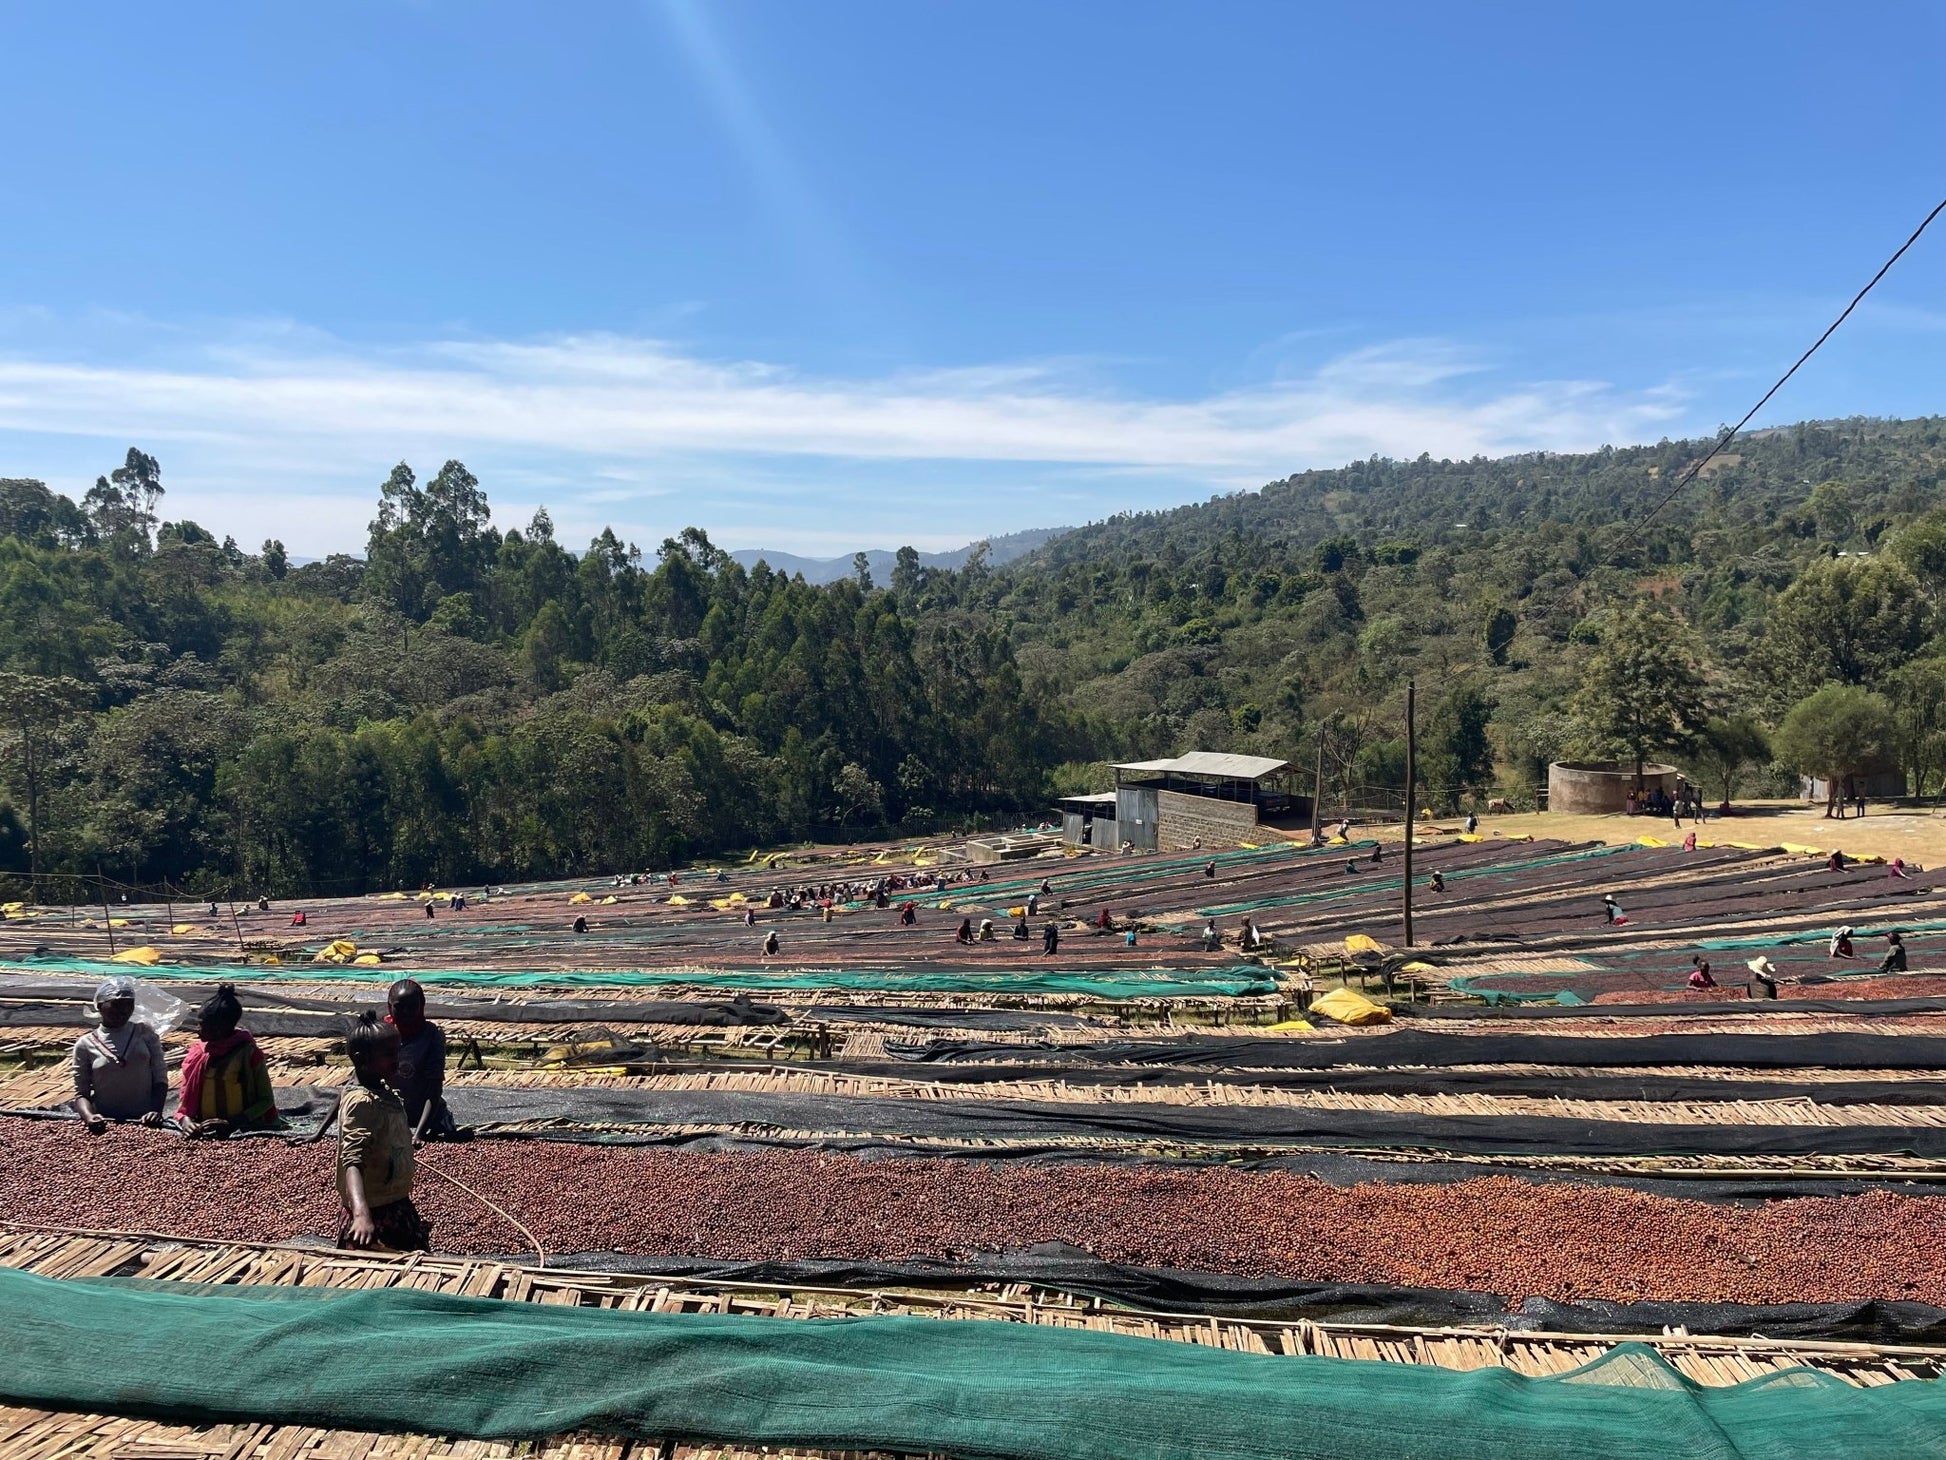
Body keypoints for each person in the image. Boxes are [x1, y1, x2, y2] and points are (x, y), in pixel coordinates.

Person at [337, 1011, 427, 1252]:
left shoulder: (383, 1090)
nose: (397, 1060)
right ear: (361, 1059)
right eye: (388, 1054)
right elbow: (352, 1161)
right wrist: (361, 1214)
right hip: (375, 1213)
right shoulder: (362, 1102)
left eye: (397, 1051)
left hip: (395, 1204)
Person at [177, 984, 277, 1137]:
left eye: (203, 1026)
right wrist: (186, 1121)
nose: (198, 1030)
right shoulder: (198, 1053)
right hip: (202, 1128)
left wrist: (234, 1122)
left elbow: (266, 1100)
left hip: (242, 1129)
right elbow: (185, 1097)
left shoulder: (248, 1054)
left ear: (220, 1028)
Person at [71, 977, 167, 1133]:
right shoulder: (86, 1044)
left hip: (145, 1120)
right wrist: (89, 1116)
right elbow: (81, 1092)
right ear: (100, 1006)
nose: (123, 1010)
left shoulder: (144, 1033)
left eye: (128, 1005)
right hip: (107, 1122)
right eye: (116, 1005)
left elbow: (160, 1077)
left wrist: (155, 1111)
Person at [385, 979, 456, 1141]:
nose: (406, 1013)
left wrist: (419, 1134)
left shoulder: (432, 1036)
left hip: (427, 1118)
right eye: (399, 1007)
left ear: (422, 1005)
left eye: (412, 1007)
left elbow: (434, 1089)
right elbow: (360, 1080)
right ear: (390, 1007)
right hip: (389, 1115)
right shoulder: (382, 1034)